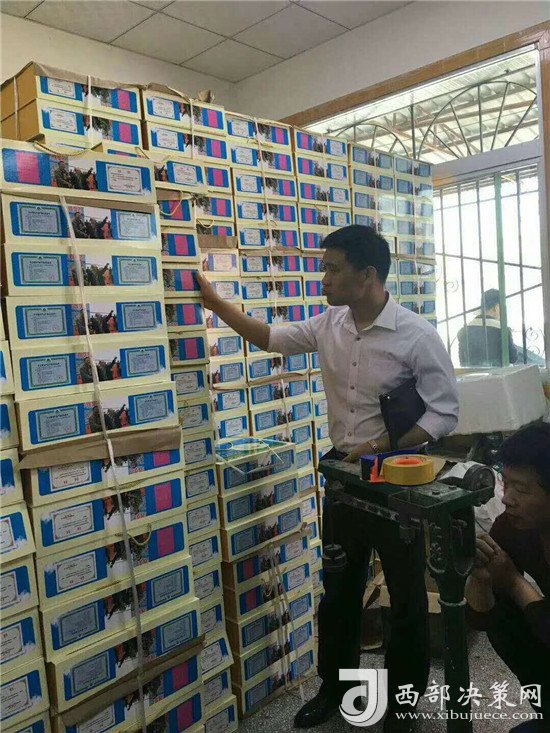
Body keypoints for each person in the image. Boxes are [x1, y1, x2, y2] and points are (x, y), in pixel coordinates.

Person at [197, 225, 459, 732]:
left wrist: (385, 446)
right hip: (342, 473)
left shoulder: (416, 336)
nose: (324, 279)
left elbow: (445, 412)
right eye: (325, 268)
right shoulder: (328, 324)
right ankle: (334, 689)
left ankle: (402, 705)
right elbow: (269, 338)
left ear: (368, 275)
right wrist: (214, 302)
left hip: (397, 476)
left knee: (405, 596)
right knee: (338, 587)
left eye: (333, 269)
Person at [466, 423, 550, 731]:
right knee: (506, 619)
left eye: (522, 490)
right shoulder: (512, 525)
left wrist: (515, 582)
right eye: (506, 483)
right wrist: (480, 578)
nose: (506, 499)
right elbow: (480, 618)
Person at [458, 289, 518, 367]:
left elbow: (462, 361)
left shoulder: (464, 331)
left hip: (472, 374)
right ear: (496, 308)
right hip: (496, 374)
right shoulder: (502, 330)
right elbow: (513, 358)